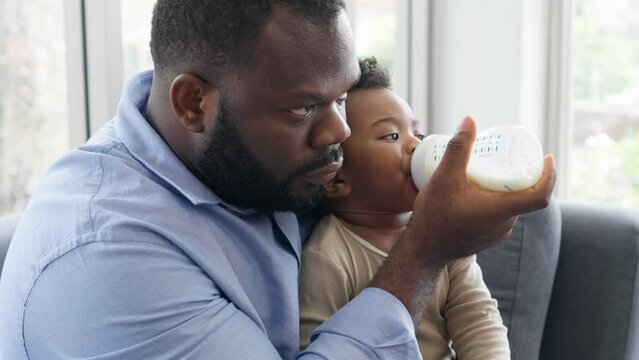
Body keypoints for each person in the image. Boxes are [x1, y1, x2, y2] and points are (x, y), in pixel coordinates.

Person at [0, 1, 555, 359]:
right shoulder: (106, 261)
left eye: (340, 96)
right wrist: (425, 251)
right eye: (304, 107)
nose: (339, 129)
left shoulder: (250, 159)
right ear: (193, 103)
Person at [299, 57, 510, 359]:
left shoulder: (447, 233)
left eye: (417, 135)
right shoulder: (328, 256)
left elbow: (478, 319)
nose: (415, 146)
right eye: (392, 136)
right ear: (336, 178)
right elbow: (317, 347)